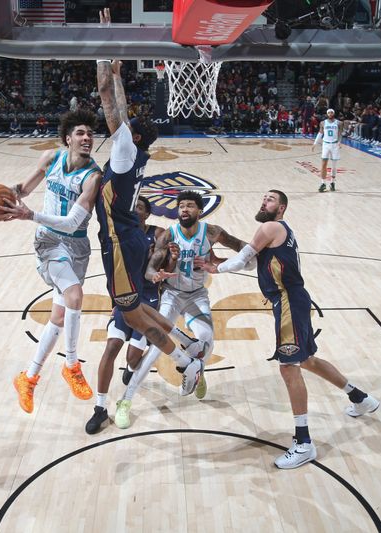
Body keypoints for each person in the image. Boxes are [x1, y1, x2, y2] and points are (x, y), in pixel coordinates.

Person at [197, 190, 379, 469]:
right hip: (293, 299)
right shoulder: (280, 233)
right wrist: (217, 264)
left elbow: (241, 258)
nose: (263, 201)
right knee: (306, 360)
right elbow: (254, 264)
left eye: (270, 199)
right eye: (263, 198)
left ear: (281, 208)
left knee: (288, 366)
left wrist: (216, 269)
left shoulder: (270, 227)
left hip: (288, 300)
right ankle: (360, 398)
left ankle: (304, 443)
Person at [94, 11, 207, 400]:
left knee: (133, 316)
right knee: (138, 309)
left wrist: (102, 45)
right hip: (127, 239)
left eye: (127, 126)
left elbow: (108, 101)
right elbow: (118, 107)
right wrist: (119, 72)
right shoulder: (133, 152)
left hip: (122, 242)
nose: (119, 126)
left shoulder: (125, 152)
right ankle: (187, 344)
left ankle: (183, 361)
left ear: (134, 134)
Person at [112, 191, 249, 429]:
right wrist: (156, 274)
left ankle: (196, 371)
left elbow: (242, 247)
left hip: (197, 295)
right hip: (172, 296)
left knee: (207, 338)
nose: (184, 210)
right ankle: (125, 401)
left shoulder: (212, 232)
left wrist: (260, 254)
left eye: (190, 206)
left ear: (200, 211)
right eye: (181, 206)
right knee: (155, 348)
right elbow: (149, 270)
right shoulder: (169, 235)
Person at [0, 110, 102, 414]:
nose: (87, 138)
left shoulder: (92, 177)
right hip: (49, 242)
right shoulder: (50, 159)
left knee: (59, 317)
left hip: (76, 245)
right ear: (68, 138)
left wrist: (30, 215)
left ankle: (28, 377)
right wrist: (2, 197)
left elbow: (72, 223)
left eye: (90, 134)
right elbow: (24, 190)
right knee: (74, 295)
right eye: (81, 133)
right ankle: (71, 365)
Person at [84, 196, 165, 434]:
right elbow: (114, 272)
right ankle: (100, 408)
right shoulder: (119, 234)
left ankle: (131, 370)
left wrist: (164, 265)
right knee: (111, 347)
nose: (134, 210)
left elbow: (162, 264)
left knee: (132, 358)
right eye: (132, 206)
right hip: (123, 300)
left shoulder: (159, 233)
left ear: (147, 214)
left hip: (147, 300)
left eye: (139, 207)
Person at [312, 108, 341, 192]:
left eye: (332, 112)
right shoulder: (323, 123)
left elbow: (340, 134)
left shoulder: (339, 123)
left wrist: (339, 142)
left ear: (334, 113)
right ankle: (323, 183)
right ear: (327, 114)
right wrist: (315, 143)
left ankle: (332, 183)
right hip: (326, 144)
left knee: (334, 166)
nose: (330, 114)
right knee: (323, 164)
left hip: (335, 144)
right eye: (329, 112)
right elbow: (320, 133)